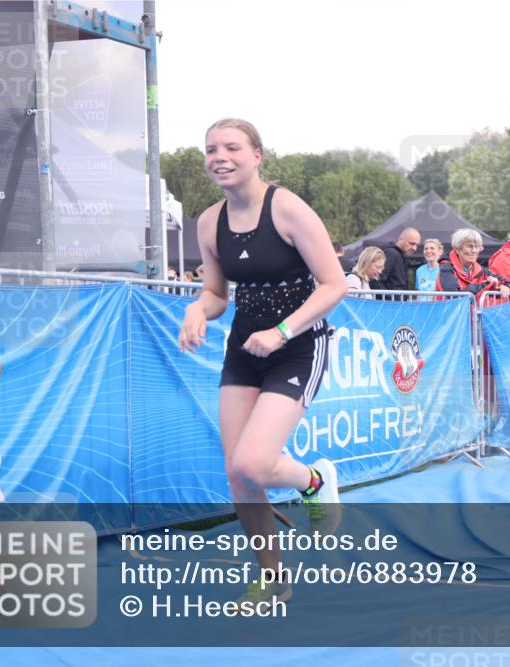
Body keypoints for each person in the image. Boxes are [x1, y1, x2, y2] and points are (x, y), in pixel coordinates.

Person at [178, 118, 347, 608]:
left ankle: (314, 481)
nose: (219, 156)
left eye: (232, 147)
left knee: (254, 461)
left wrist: (282, 332)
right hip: (244, 349)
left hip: (297, 344)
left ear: (257, 155)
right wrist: (196, 309)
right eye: (211, 149)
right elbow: (216, 293)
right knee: (238, 474)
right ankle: (272, 579)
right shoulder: (209, 222)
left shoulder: (288, 208)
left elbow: (335, 284)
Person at [436, 228, 510, 301]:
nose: (474, 251)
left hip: (471, 314)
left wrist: (506, 286)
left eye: (477, 247)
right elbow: (455, 296)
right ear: (457, 249)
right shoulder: (446, 268)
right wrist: (487, 284)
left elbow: (505, 281)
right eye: (470, 246)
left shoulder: (481, 271)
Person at [370, 227, 420, 292]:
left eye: (417, 245)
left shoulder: (399, 255)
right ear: (401, 239)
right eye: (411, 243)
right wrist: (389, 298)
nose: (414, 248)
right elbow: (375, 280)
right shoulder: (392, 254)